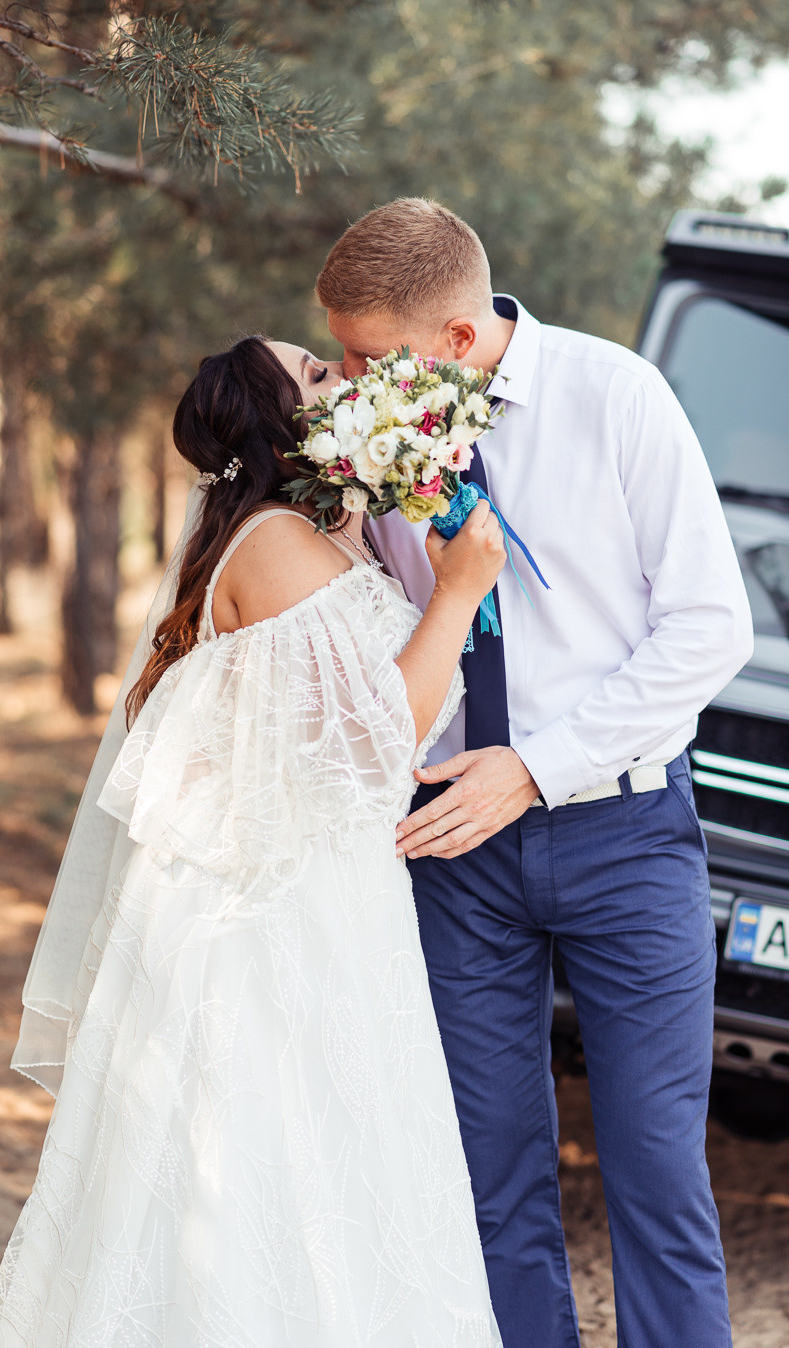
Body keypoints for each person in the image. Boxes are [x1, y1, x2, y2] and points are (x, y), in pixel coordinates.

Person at [0, 335, 507, 1346]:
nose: (341, 378)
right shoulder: (273, 544)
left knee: (333, 1174)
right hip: (272, 920)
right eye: (314, 373)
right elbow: (378, 741)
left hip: (331, 895)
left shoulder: (321, 537)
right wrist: (458, 593)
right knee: (267, 1174)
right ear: (279, 428)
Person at [315, 197, 754, 1348]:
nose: (347, 381)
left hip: (627, 837)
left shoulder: (618, 397)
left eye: (367, 357)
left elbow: (712, 628)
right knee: (488, 1177)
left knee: (657, 1173)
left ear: (457, 339)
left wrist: (535, 768)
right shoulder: (368, 440)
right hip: (451, 849)